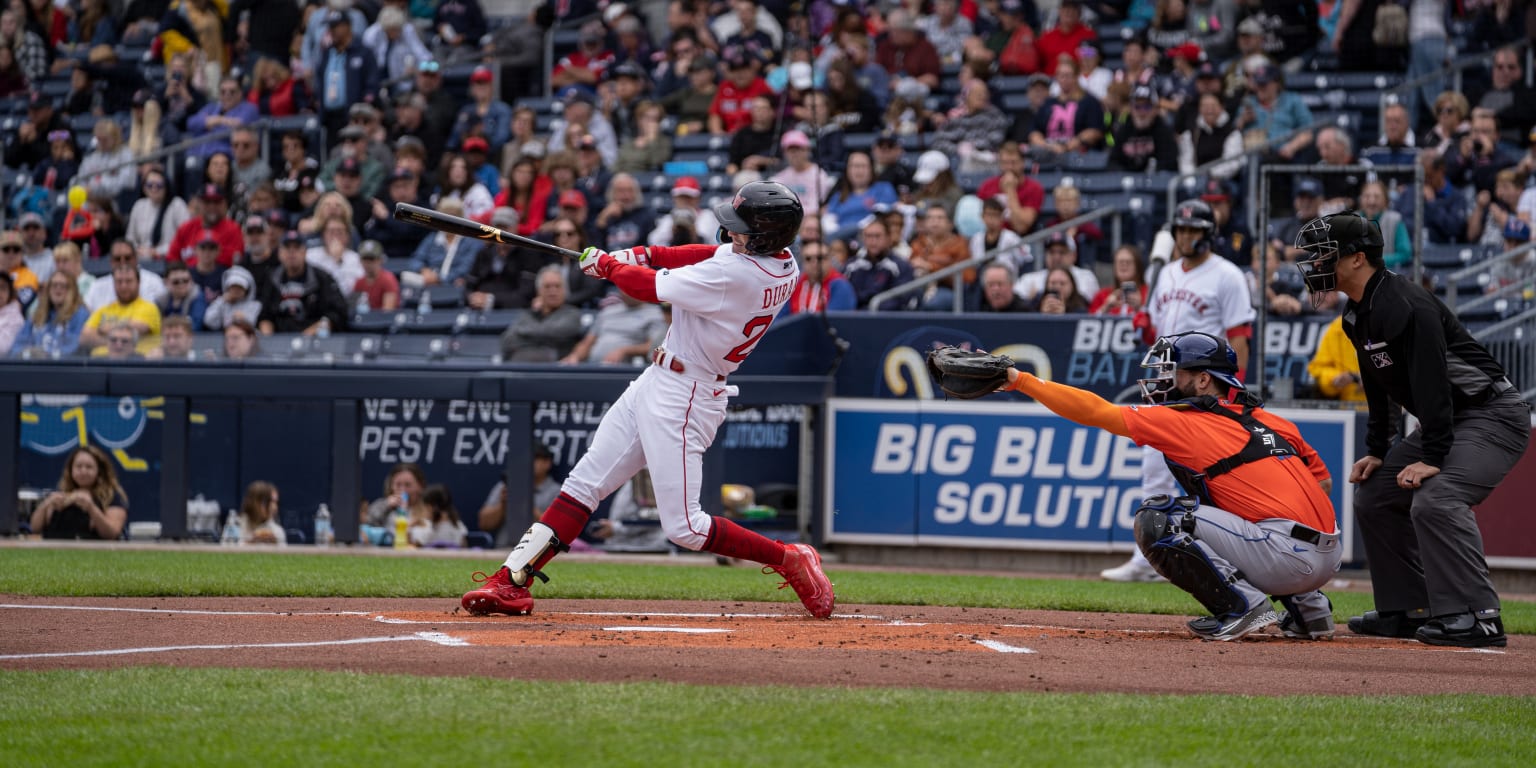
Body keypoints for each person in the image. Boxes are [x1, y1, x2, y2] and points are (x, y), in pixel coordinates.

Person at [461, 180, 835, 619]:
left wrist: (609, 267)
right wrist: (643, 254)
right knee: (583, 484)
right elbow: (704, 254)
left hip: (687, 395)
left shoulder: (738, 276)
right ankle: (510, 581)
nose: (731, 234)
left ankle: (789, 557)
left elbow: (645, 289)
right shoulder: (782, 262)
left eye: (741, 228)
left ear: (766, 235)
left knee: (685, 528)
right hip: (658, 379)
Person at [987, 332, 1339, 641]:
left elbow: (1096, 411)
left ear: (1203, 381)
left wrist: (1020, 380)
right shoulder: (1271, 420)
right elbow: (1322, 482)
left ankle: (1243, 606)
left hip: (1284, 557)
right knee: (1237, 509)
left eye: (1174, 371)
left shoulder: (1183, 421)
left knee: (1160, 518)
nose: (1163, 379)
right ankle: (1311, 611)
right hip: (1326, 553)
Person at [1295, 212, 1529, 648]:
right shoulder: (1356, 314)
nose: (1315, 262)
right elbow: (1378, 388)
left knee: (1436, 498)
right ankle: (1409, 609)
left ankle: (1479, 616)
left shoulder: (1405, 303)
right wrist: (1379, 449)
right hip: (1453, 418)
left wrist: (1434, 458)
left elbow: (1434, 387)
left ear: (1357, 259)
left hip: (1492, 414)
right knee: (1376, 493)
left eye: (1325, 254)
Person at [1104, 199, 1255, 583]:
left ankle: (1236, 559)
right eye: (1182, 231)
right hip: (1168, 383)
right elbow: (1156, 329)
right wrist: (1143, 323)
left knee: (1216, 477)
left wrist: (1232, 394)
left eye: (1194, 231)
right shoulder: (1167, 273)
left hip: (1207, 385)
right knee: (1154, 469)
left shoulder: (1228, 275)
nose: (1187, 237)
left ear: (1208, 234)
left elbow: (1240, 338)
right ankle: (1147, 558)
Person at [257, 230, 349, 335]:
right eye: (287, 248)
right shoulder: (271, 279)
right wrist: (268, 338)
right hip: (278, 341)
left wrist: (310, 333)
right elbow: (264, 315)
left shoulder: (322, 278)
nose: (292, 253)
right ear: (280, 253)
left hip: (315, 342)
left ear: (305, 252)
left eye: (296, 248)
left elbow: (338, 313)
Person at [28, 444, 128, 540]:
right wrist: (47, 503)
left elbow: (111, 534)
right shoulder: (61, 494)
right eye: (78, 467)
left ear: (99, 471)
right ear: (71, 470)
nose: (83, 471)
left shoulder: (112, 496)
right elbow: (35, 528)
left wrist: (91, 508)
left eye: (89, 467)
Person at [478, 441, 562, 549]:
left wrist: (525, 502)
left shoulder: (556, 491)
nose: (527, 462)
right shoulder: (506, 485)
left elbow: (556, 531)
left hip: (539, 551)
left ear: (547, 463)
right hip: (504, 548)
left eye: (534, 458)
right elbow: (484, 524)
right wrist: (503, 505)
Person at [500, 265, 585, 362]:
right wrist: (541, 338)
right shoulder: (527, 315)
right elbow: (507, 340)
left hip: (556, 370)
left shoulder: (573, 314)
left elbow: (555, 332)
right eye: (547, 287)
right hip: (522, 369)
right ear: (539, 291)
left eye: (557, 286)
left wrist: (523, 335)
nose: (553, 291)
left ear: (564, 290)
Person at [561, 290, 666, 365]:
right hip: (594, 367)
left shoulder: (655, 314)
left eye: (630, 285)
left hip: (625, 370)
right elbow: (588, 342)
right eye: (623, 285)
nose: (626, 290)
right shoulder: (608, 311)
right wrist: (575, 357)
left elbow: (653, 347)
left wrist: (624, 351)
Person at [81, 267, 161, 355]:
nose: (123, 286)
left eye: (128, 281)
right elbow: (85, 337)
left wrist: (104, 329)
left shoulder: (149, 307)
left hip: (135, 363)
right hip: (101, 362)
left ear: (138, 283)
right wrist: (115, 342)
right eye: (119, 282)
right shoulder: (104, 309)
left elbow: (139, 327)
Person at [85, 242, 166, 311]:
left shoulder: (154, 281)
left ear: (135, 258)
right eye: (117, 259)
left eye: (127, 258)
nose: (122, 262)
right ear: (111, 261)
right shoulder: (97, 285)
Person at [783, 240, 854, 315]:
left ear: (830, 259)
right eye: (808, 258)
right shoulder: (794, 285)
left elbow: (833, 321)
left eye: (820, 258)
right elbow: (780, 320)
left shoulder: (840, 286)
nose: (814, 262)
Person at [1307, 315, 1364, 402]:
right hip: (1348, 407)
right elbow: (1319, 370)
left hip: (1388, 408)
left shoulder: (1388, 321)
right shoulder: (1338, 326)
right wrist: (1335, 378)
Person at [1089, 245, 1149, 315]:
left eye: (1128, 262)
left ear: (1137, 266)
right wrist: (1106, 307)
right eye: (1120, 262)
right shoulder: (1102, 296)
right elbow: (1087, 323)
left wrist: (1140, 308)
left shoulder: (1148, 293)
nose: (1124, 265)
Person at [203, 265, 262, 331]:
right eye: (233, 287)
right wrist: (221, 301)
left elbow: (257, 328)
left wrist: (244, 320)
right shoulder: (223, 303)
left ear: (246, 290)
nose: (236, 290)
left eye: (240, 287)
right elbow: (209, 321)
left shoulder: (255, 305)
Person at [238, 481, 287, 545]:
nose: (274, 507)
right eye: (269, 501)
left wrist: (276, 545)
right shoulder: (236, 525)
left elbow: (285, 553)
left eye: (276, 502)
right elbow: (225, 550)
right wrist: (250, 543)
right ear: (254, 502)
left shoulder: (277, 531)